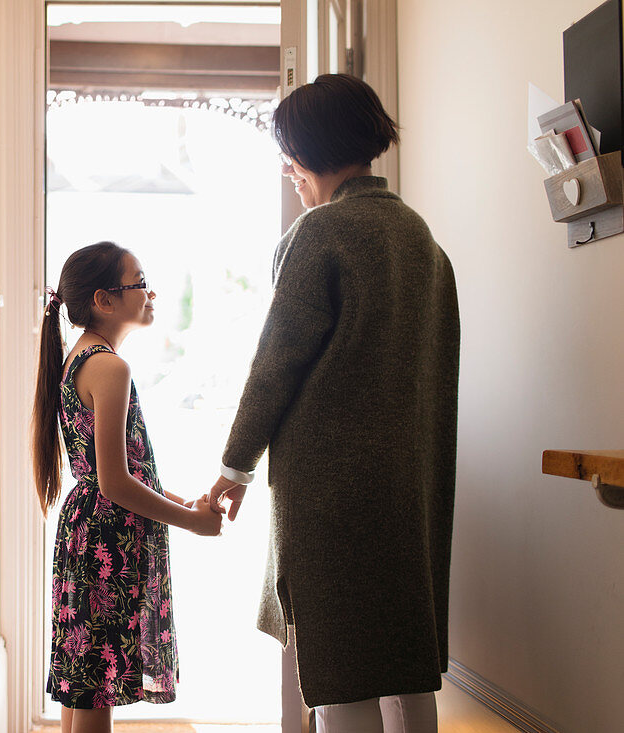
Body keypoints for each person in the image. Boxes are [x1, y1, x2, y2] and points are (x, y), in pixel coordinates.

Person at [208, 74, 460, 733]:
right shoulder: (423, 242)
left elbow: (276, 363)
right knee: (404, 654)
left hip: (333, 492)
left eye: (288, 150)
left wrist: (234, 467)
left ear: (310, 147)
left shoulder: (321, 233)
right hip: (408, 488)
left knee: (342, 660)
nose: (288, 167)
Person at [33, 241, 223, 733]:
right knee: (95, 692)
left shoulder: (82, 357)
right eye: (139, 282)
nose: (151, 291)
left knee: (85, 688)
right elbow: (115, 482)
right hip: (106, 540)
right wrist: (194, 524)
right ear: (104, 299)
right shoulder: (109, 366)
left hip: (86, 528)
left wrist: (175, 500)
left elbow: (116, 473)